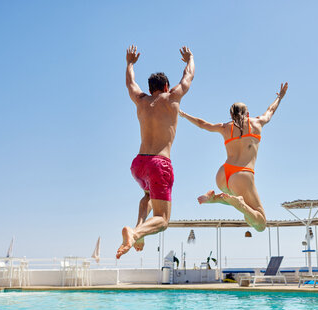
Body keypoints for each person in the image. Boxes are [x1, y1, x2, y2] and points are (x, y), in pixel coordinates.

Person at [116, 44, 195, 258]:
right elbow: (188, 77)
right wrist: (190, 59)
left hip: (138, 164)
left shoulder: (141, 101)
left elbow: (130, 83)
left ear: (150, 89)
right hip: (159, 164)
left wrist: (129, 63)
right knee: (162, 220)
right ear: (167, 86)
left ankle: (138, 229)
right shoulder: (172, 99)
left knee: (148, 196)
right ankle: (135, 232)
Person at [179, 83, 288, 232]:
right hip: (242, 174)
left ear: (231, 115)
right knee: (261, 223)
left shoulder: (224, 127)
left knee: (233, 196)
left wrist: (184, 114)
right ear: (247, 114)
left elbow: (202, 124)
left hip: (223, 173)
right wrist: (280, 97)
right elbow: (270, 111)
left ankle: (213, 199)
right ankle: (240, 204)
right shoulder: (256, 123)